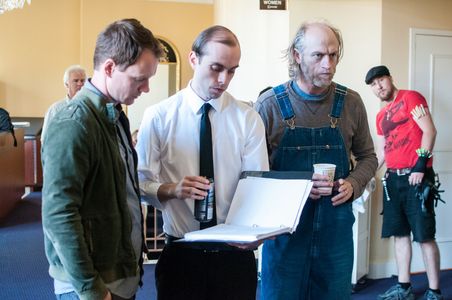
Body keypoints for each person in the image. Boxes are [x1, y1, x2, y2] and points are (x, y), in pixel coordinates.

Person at [136, 25, 269, 300]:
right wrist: (172, 189)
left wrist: (259, 230)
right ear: (193, 59)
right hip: (181, 255)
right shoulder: (159, 116)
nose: (223, 79)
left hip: (235, 257)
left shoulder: (248, 119)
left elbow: (258, 186)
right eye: (216, 67)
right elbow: (139, 182)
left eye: (232, 71)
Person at [41, 18, 163, 300]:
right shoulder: (74, 122)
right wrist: (91, 289)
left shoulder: (115, 114)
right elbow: (58, 214)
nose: (145, 88)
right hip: (90, 286)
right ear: (109, 68)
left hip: (117, 278)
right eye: (139, 79)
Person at [254, 20, 377, 299]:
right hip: (284, 236)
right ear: (297, 56)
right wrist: (296, 188)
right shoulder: (269, 105)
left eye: (333, 55)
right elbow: (254, 176)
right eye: (318, 55)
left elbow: (368, 156)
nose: (328, 65)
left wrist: (354, 183)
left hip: (336, 239)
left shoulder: (352, 103)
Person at [366, 65, 442, 300]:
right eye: (373, 85)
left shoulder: (411, 98)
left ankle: (434, 290)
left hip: (417, 177)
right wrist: (366, 174)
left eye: (381, 80)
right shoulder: (380, 117)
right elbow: (382, 152)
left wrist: (421, 165)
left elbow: (429, 131)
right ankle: (404, 287)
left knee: (424, 236)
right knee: (400, 235)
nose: (379, 86)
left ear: (390, 78)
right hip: (393, 179)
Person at [41, 65, 87, 141]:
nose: (80, 84)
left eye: (82, 81)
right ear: (66, 84)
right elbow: (45, 139)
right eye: (76, 81)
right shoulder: (56, 109)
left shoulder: (91, 107)